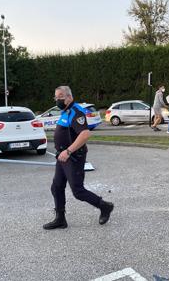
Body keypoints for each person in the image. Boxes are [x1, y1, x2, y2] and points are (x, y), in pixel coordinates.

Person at [43, 86, 114, 230]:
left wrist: (68, 151)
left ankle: (105, 206)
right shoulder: (65, 112)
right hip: (62, 157)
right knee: (56, 187)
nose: (58, 100)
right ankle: (60, 219)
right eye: (56, 97)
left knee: (78, 191)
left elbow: (85, 134)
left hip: (73, 157)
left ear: (69, 97)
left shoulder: (76, 112)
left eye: (61, 96)